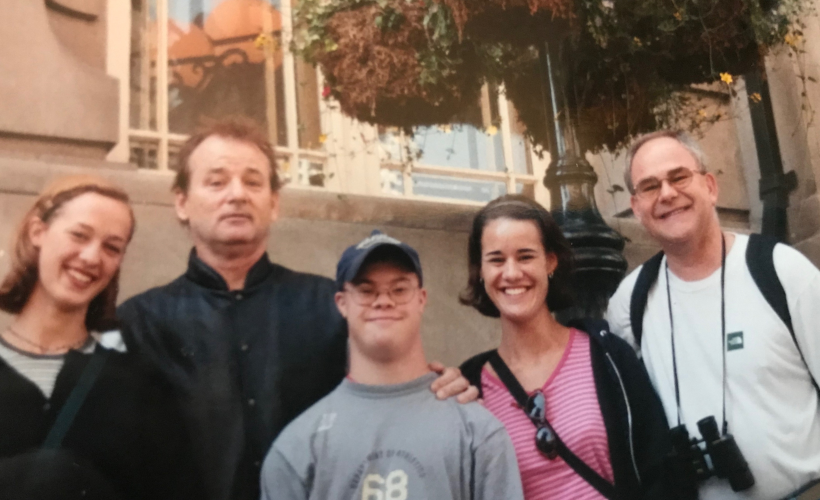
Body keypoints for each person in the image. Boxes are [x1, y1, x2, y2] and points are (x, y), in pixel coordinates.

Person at [116, 118, 478, 500]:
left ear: (274, 203)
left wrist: (437, 388)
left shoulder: (330, 305)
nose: (237, 195)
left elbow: (395, 394)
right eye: (216, 181)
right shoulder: (138, 323)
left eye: (253, 182)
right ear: (182, 201)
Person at [607, 130, 820, 500]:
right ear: (637, 207)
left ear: (710, 186)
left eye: (679, 177)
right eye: (650, 186)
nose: (667, 194)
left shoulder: (781, 272)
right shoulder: (629, 302)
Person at [260, 229, 524, 500]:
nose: (384, 301)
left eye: (399, 289)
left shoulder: (478, 432)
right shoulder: (297, 447)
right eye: (366, 290)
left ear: (421, 299)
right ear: (342, 303)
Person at [459, 195, 672, 500]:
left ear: (551, 261)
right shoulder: (469, 388)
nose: (511, 273)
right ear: (480, 270)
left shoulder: (608, 356)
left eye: (525, 256)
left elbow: (661, 471)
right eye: (496, 259)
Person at [0, 176, 200, 500]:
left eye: (112, 247)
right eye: (79, 235)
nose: (92, 257)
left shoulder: (140, 387)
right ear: (38, 232)